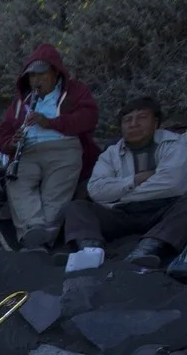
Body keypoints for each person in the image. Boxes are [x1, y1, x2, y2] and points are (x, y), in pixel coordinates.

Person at [62, 96, 187, 272]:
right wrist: (133, 181)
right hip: (122, 211)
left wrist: (118, 192)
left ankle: (148, 249)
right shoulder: (110, 154)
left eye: (142, 117)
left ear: (156, 122)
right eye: (127, 120)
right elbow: (96, 190)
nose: (134, 124)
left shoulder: (175, 143)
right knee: (77, 207)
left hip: (163, 209)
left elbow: (173, 184)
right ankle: (90, 251)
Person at [0, 43, 100, 251]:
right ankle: (35, 230)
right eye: (32, 76)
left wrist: (51, 122)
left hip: (64, 148)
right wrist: (12, 143)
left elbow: (89, 118)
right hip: (27, 152)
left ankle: (36, 240)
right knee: (17, 184)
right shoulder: (20, 103)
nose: (36, 80)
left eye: (42, 74)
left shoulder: (74, 91)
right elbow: (3, 135)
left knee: (55, 194)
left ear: (55, 72)